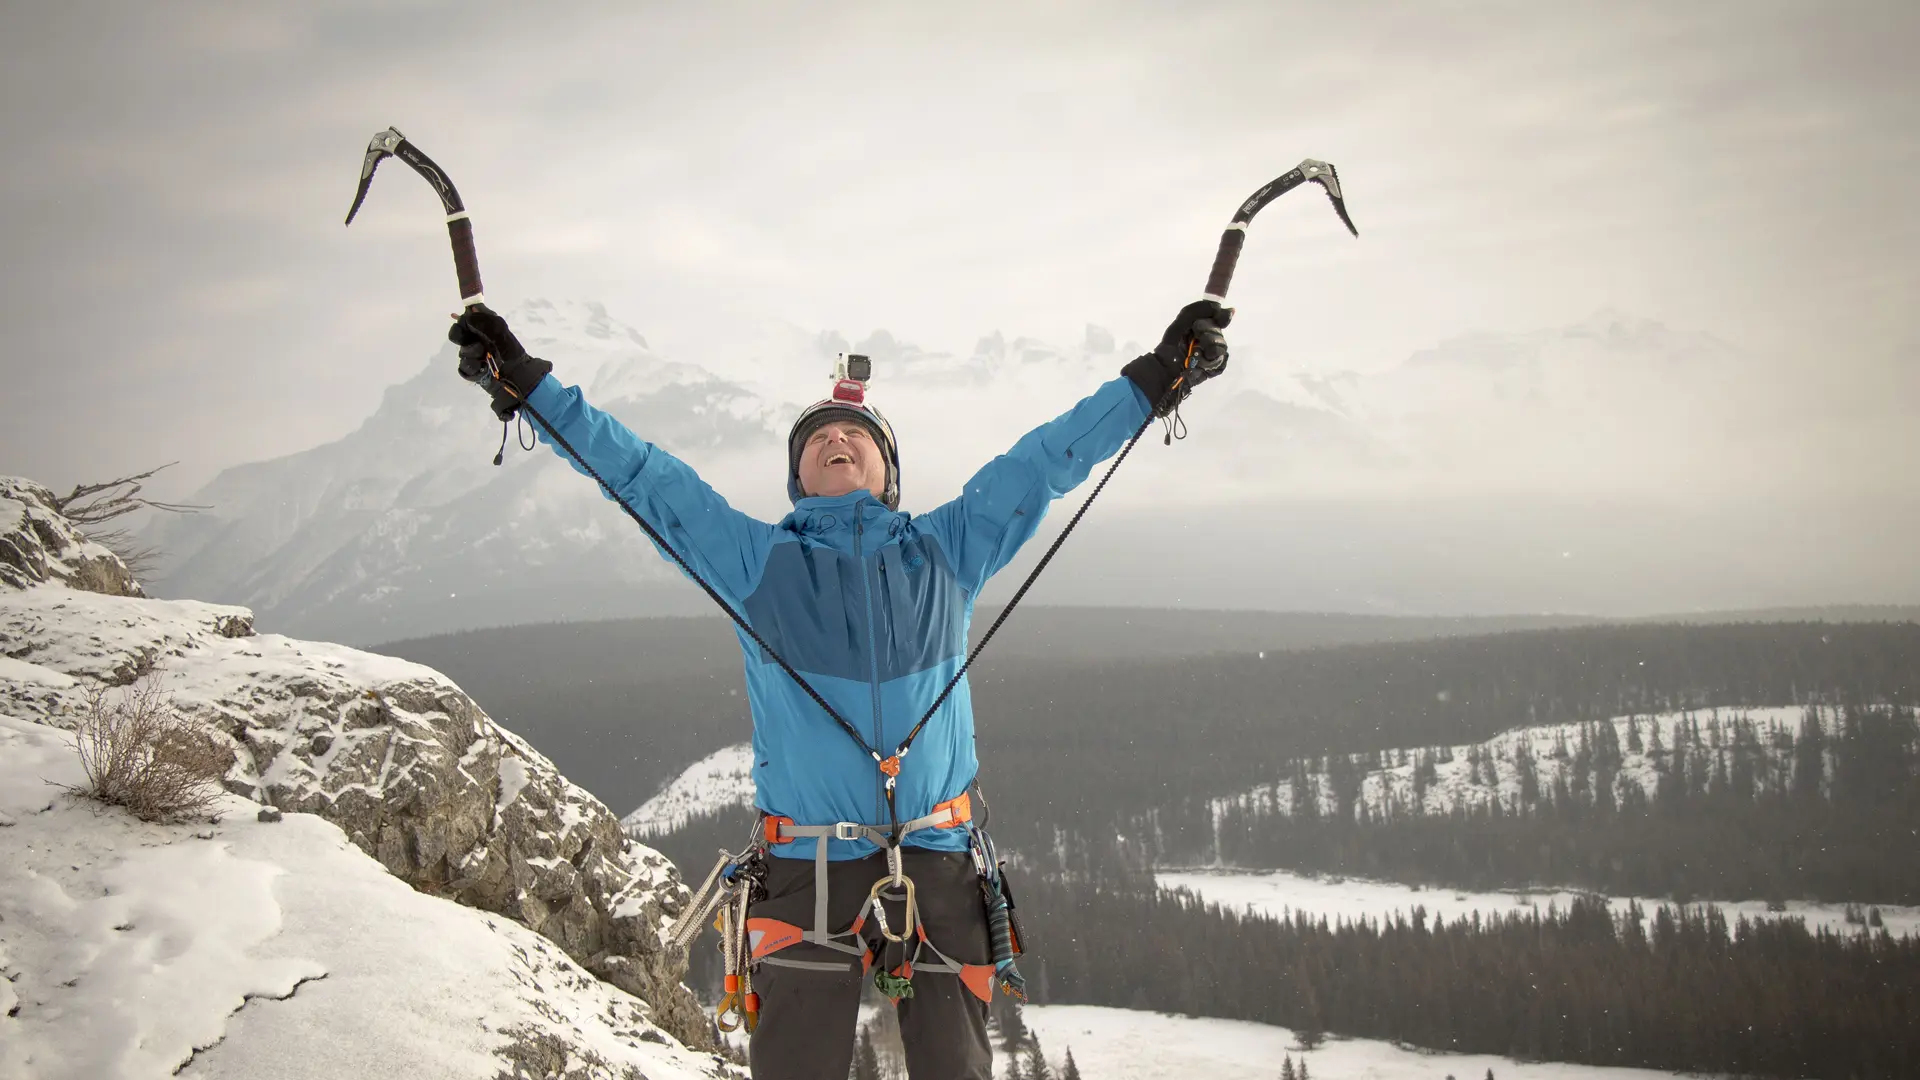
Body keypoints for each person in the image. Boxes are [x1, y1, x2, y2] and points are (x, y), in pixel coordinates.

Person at [447, 299, 1231, 1080]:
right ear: (798, 482)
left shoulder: (947, 548)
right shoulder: (757, 563)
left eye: (856, 434)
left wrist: (1155, 379)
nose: (836, 439)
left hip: (937, 856)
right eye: (818, 439)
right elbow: (646, 478)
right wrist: (533, 390)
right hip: (809, 863)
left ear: (888, 476)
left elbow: (1045, 460)